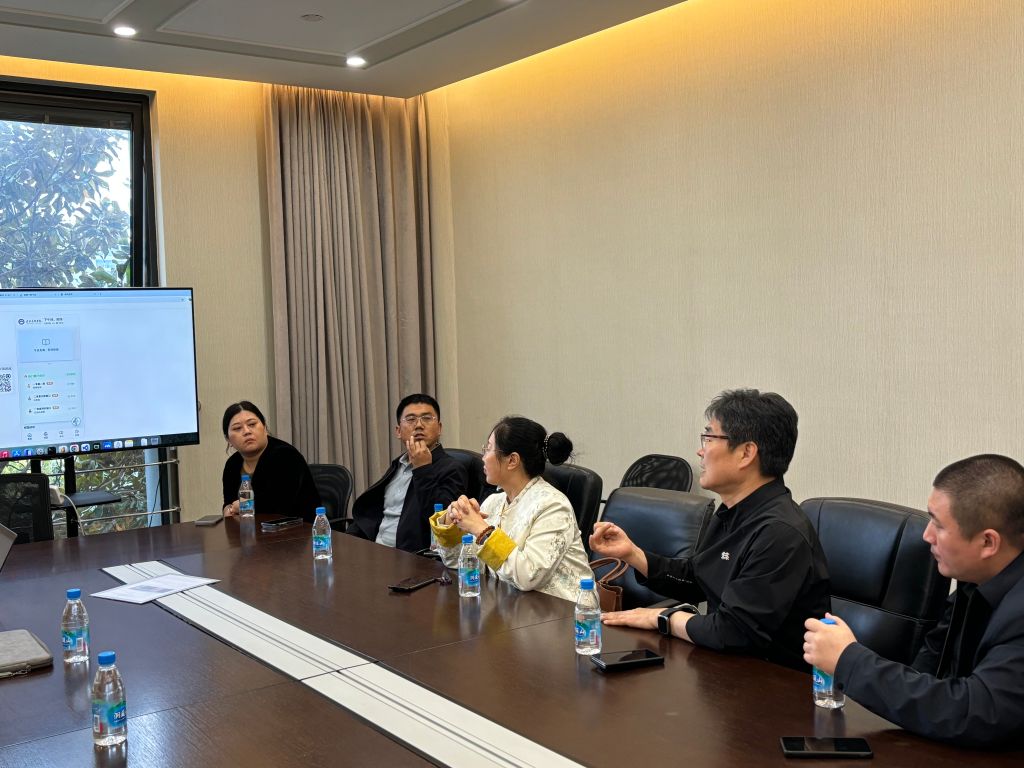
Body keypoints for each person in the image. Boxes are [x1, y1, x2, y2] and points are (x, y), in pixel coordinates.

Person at [590, 389, 830, 670]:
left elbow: (733, 632)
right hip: (723, 667)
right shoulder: (733, 510)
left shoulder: (780, 532)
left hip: (774, 681)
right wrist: (633, 554)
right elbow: (698, 578)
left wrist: (662, 618)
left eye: (710, 438)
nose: (701, 450)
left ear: (746, 453)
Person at [804, 454, 1024, 748]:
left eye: (939, 526)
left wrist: (849, 661)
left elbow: (978, 712)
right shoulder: (975, 580)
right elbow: (929, 666)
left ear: (988, 542)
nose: (926, 535)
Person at [430, 416, 593, 602]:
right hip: (510, 606)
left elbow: (528, 576)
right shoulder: (494, 502)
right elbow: (458, 563)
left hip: (563, 612)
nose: (483, 457)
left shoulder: (553, 506)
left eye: (488, 449)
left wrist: (481, 530)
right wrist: (452, 520)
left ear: (512, 460)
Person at [349, 394, 468, 552]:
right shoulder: (399, 464)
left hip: (411, 557)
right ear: (398, 431)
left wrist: (422, 468)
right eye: (411, 419)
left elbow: (442, 522)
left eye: (427, 418)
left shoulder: (452, 468)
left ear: (439, 428)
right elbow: (374, 512)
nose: (419, 425)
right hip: (374, 550)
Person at [221, 401, 321, 523]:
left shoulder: (286, 455)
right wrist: (228, 510)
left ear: (264, 427)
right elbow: (229, 502)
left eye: (252, 424)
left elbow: (281, 505)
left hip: (297, 528)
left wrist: (243, 506)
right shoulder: (232, 464)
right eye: (237, 428)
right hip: (250, 529)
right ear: (228, 439)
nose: (247, 431)